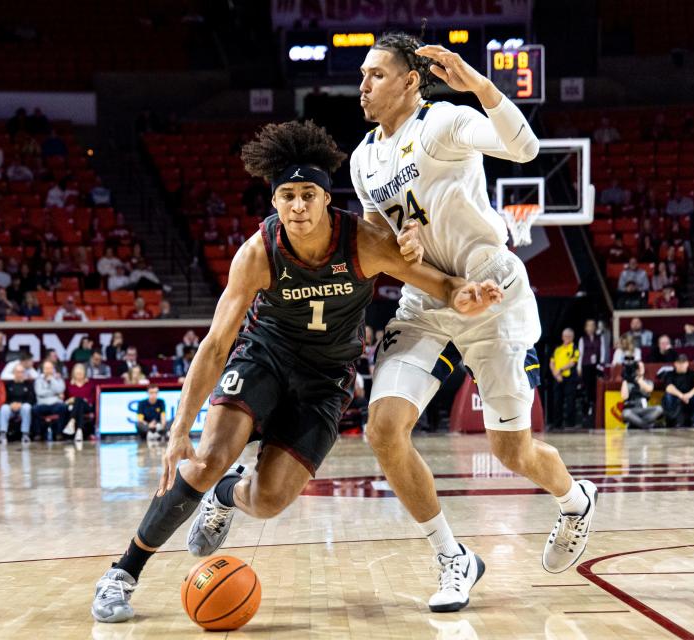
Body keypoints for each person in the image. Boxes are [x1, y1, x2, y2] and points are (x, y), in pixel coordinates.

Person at [90, 119, 502, 623]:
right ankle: (121, 574)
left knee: (267, 502)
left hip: (325, 381)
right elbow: (217, 344)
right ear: (275, 202)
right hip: (265, 357)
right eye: (288, 195)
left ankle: (226, 497)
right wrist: (179, 430)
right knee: (205, 460)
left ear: (327, 199)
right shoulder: (258, 253)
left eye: (309, 194)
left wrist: (468, 294)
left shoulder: (363, 242)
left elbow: (439, 284)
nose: (299, 206)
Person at [345, 34, 597, 609]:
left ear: (411, 80)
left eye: (377, 74)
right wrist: (400, 245)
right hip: (429, 298)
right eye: (362, 74)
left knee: (512, 451)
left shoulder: (444, 122)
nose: (364, 84)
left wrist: (480, 85)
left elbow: (526, 149)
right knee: (383, 430)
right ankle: (453, 557)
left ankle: (575, 499)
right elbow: (380, 237)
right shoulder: (362, 159)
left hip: (491, 291)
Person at [660, 354, 694, 427]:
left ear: (687, 363)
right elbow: (669, 387)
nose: (681, 365)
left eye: (683, 363)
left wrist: (689, 395)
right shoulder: (670, 374)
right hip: (676, 397)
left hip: (690, 397)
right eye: (679, 363)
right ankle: (673, 421)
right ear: (675, 364)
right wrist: (681, 396)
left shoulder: (693, 374)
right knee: (668, 396)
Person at [577, 319, 607, 422]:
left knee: (596, 388)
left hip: (596, 366)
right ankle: (586, 412)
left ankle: (596, 411)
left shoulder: (600, 338)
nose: (590, 328)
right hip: (586, 366)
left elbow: (602, 351)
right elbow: (580, 354)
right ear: (585, 328)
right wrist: (579, 367)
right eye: (588, 326)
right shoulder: (582, 339)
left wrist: (601, 364)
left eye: (592, 325)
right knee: (586, 389)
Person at [549, 328, 579, 429]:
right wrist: (556, 374)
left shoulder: (574, 348)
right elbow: (552, 362)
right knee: (557, 401)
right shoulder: (558, 349)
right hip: (558, 378)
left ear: (572, 337)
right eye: (565, 336)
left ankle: (570, 424)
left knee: (570, 401)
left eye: (569, 336)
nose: (567, 338)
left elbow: (573, 362)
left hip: (569, 378)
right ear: (562, 337)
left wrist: (560, 370)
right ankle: (557, 424)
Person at [33, 360, 69, 439]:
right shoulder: (38, 380)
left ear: (53, 369)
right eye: (46, 368)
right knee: (35, 409)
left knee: (63, 407)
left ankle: (59, 433)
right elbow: (39, 392)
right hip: (42, 404)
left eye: (50, 368)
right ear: (43, 369)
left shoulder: (58, 378)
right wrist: (55, 394)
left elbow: (60, 389)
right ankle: (38, 434)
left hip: (55, 404)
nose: (48, 370)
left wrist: (52, 380)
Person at [0, 364, 34, 444]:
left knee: (27, 407)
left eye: (22, 372)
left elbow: (32, 399)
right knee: (4, 408)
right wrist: (10, 404)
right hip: (10, 408)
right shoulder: (8, 385)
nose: (20, 374)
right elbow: (3, 398)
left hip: (23, 407)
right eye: (17, 372)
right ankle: (3, 434)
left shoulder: (29, 385)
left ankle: (25, 434)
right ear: (14, 373)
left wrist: (20, 404)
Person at [64, 363, 94, 443]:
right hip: (72, 406)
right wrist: (70, 400)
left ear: (84, 373)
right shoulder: (68, 383)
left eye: (81, 373)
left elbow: (91, 399)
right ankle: (79, 431)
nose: (79, 375)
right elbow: (65, 398)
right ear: (73, 374)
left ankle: (71, 422)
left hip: (87, 406)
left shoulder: (89, 384)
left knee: (79, 400)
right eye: (77, 373)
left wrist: (78, 399)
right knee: (79, 402)